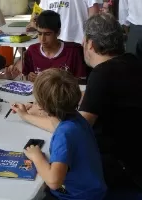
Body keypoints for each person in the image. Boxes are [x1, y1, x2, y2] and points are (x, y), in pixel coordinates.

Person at [12, 68, 107, 200]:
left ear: (41, 105)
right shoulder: (75, 118)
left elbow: (54, 182)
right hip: (91, 189)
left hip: (76, 196)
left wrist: (37, 157)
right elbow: (55, 125)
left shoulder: (64, 134)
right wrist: (26, 116)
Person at [79, 13, 142, 191]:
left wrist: (31, 115)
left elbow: (78, 128)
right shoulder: (132, 61)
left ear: (90, 43)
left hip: (119, 170)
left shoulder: (102, 74)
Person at [23, 10, 86, 82]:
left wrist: (49, 80)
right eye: (39, 34)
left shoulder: (74, 51)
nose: (42, 39)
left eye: (47, 34)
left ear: (58, 32)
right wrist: (29, 77)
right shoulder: (32, 51)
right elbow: (25, 77)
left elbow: (82, 81)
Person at [31, 0, 103, 44]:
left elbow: (94, 15)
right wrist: (34, 22)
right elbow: (41, 14)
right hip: (54, 43)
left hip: (79, 41)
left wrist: (88, 37)